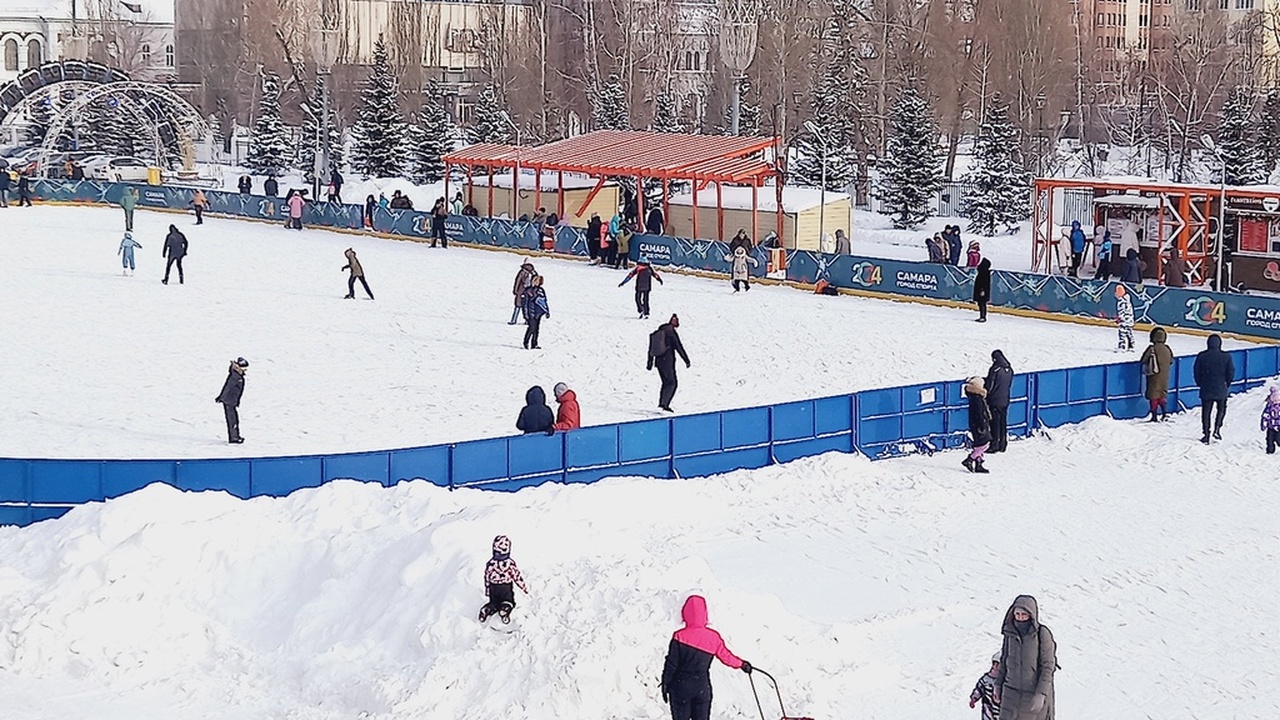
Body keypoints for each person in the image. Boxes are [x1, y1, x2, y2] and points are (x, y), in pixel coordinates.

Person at [660, 595, 751, 720]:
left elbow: (671, 664)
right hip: (701, 688)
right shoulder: (713, 637)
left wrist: (665, 683)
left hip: (680, 689)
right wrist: (742, 664)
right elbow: (726, 657)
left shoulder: (679, 636)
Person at [994, 595, 1056, 720]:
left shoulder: (1042, 634)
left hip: (1032, 694)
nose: (1020, 618)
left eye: (1024, 614)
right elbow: (1004, 659)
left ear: (1031, 615)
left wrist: (1041, 693)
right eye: (1018, 614)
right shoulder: (1009, 633)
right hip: (1010, 694)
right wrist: (998, 684)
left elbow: (1048, 666)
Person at [1194, 334, 1235, 444]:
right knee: (1221, 409)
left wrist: (1200, 383)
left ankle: (1206, 434)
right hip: (1221, 387)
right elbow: (1230, 372)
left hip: (1206, 387)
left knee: (1206, 411)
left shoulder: (1202, 356)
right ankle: (1217, 428)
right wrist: (1227, 383)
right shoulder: (1226, 356)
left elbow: (1196, 371)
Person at [479, 534, 528, 624]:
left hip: (493, 587)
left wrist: (487, 588)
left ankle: (488, 608)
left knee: (494, 602)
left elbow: (487, 576)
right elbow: (516, 575)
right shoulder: (510, 563)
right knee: (508, 601)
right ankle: (505, 609)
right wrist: (523, 587)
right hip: (505, 586)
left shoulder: (491, 563)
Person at [647, 314, 690, 412]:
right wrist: (686, 360)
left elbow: (651, 348)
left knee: (665, 383)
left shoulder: (659, 332)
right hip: (668, 361)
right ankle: (664, 405)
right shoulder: (671, 333)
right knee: (672, 383)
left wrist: (650, 362)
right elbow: (678, 346)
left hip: (658, 362)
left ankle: (662, 404)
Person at [1140, 326, 1174, 422]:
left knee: (1153, 395)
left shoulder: (1152, 348)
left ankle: (1154, 415)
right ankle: (1164, 413)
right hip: (1164, 376)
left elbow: (1143, 360)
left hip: (1154, 375)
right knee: (1161, 394)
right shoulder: (1167, 349)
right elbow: (1171, 360)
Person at [215, 357, 249, 444]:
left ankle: (235, 436)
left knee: (233, 419)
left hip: (231, 400)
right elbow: (228, 387)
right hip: (230, 401)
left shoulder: (236, 375)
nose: (245, 370)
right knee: (232, 420)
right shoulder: (235, 377)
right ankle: (234, 438)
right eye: (243, 368)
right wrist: (222, 397)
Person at [985, 350, 1013, 453]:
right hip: (1005, 399)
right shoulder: (1009, 369)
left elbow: (990, 385)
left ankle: (994, 445)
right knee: (1003, 422)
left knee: (994, 423)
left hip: (994, 400)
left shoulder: (995, 369)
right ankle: (1003, 444)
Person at [962, 377, 992, 473]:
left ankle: (979, 463)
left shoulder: (975, 397)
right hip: (980, 424)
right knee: (985, 444)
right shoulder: (977, 398)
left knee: (979, 444)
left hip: (977, 424)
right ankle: (970, 459)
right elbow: (979, 413)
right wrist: (982, 424)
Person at [969, 652, 1002, 720]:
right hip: (987, 708)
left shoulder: (1004, 681)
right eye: (994, 664)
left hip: (999, 710)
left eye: (998, 664)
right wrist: (974, 698)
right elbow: (979, 689)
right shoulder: (986, 679)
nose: (995, 667)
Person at [521, 275, 550, 350]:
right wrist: (525, 314)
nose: (537, 282)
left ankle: (534, 344)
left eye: (539, 281)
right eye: (536, 280)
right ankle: (526, 342)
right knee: (531, 328)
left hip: (538, 313)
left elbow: (544, 301)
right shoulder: (528, 290)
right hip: (531, 313)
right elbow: (525, 303)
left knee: (536, 329)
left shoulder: (541, 290)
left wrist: (547, 311)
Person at [510, 259, 537, 325]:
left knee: (518, 306)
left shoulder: (522, 272)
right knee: (527, 307)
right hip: (530, 292)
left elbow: (517, 281)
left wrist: (515, 290)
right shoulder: (534, 272)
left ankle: (514, 320)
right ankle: (527, 320)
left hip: (521, 291)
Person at [1114, 285, 1135, 352]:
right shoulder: (1127, 300)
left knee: (1122, 333)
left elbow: (1122, 312)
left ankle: (1122, 346)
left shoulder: (1121, 302)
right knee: (1129, 333)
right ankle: (1131, 345)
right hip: (1130, 320)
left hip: (1124, 321)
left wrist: (1119, 319)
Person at [1261, 386, 1280, 454]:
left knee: (1278, 439)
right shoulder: (1269, 407)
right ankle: (1270, 451)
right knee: (1269, 439)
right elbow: (1265, 416)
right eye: (1274, 401)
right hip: (1270, 427)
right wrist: (1264, 424)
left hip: (1278, 427)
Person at [973, 258, 992, 322]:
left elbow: (984, 283)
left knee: (982, 304)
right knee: (980, 303)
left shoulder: (985, 273)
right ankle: (982, 316)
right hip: (981, 290)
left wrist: (982, 290)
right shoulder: (982, 272)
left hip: (982, 291)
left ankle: (983, 317)